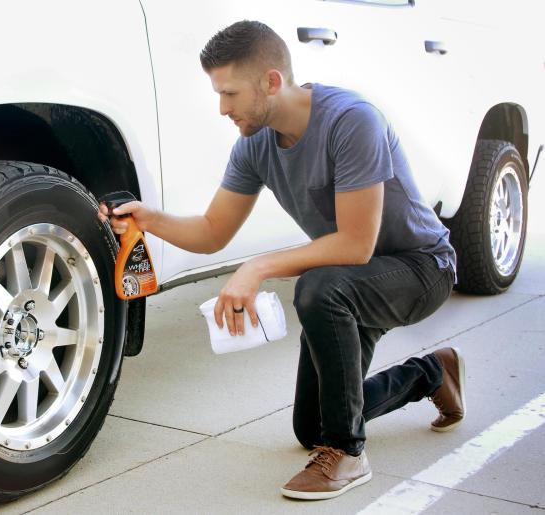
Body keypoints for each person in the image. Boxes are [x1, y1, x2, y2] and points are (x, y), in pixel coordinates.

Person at [98, 20, 466, 501]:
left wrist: (256, 267)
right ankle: (431, 373)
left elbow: (356, 244)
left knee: (318, 288)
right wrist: (150, 219)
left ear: (272, 82)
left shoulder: (352, 121)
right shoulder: (254, 145)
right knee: (311, 425)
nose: (222, 108)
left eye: (230, 93)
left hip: (421, 267)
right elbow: (212, 232)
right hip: (355, 279)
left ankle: (349, 454)